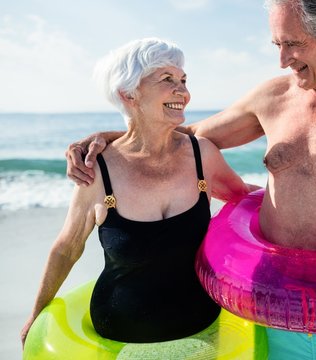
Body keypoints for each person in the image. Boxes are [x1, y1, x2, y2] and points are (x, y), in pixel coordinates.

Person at [65, 0, 316, 358]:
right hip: (274, 308)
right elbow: (182, 138)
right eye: (277, 46)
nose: (283, 60)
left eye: (292, 44)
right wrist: (113, 139)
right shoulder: (273, 98)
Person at [21, 38, 257, 347]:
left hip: (202, 327)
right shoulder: (97, 170)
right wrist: (35, 316)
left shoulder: (202, 155)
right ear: (128, 94)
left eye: (183, 80)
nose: (182, 91)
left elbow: (246, 200)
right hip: (120, 334)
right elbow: (67, 248)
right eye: (167, 79)